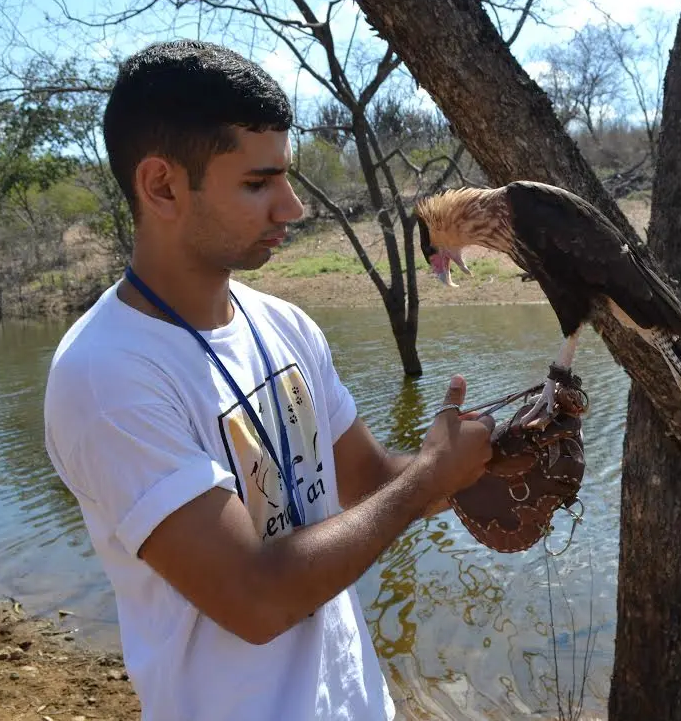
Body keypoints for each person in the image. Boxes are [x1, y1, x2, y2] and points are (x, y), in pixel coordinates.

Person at [42, 39, 495, 721]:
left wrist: (488, 458)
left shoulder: (284, 325)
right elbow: (256, 598)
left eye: (285, 177)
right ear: (162, 185)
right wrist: (430, 478)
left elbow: (371, 481)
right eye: (258, 184)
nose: (292, 207)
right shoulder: (105, 377)